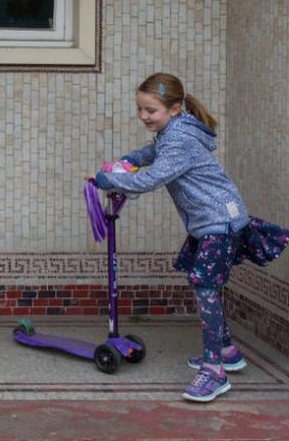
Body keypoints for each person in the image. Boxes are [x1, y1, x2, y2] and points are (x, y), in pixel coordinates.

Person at [90, 72, 288, 403]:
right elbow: (151, 154)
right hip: (210, 220)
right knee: (203, 283)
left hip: (218, 221)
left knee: (204, 285)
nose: (143, 116)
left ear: (176, 108)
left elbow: (151, 179)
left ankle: (214, 372)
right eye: (140, 109)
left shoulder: (180, 139)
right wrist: (127, 161)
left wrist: (106, 180)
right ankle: (225, 350)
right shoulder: (173, 131)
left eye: (150, 110)